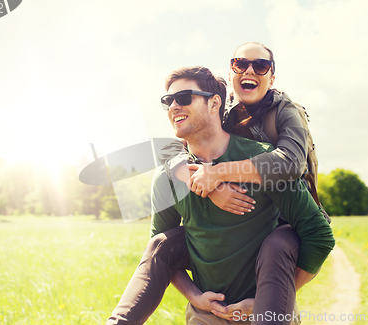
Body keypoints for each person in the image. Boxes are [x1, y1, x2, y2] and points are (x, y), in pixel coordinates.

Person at [107, 64, 334, 325]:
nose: (173, 107)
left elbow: (318, 235)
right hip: (206, 316)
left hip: (267, 314)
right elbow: (164, 256)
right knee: (160, 243)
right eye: (167, 101)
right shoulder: (167, 178)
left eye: (183, 98)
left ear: (215, 103)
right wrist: (195, 296)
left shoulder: (261, 160)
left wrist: (266, 299)